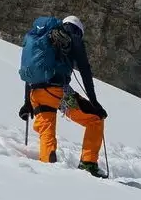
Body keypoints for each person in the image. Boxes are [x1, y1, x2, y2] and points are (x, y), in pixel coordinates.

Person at [18, 14, 108, 175]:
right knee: (95, 119)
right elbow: (85, 71)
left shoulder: (42, 37)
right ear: (78, 30)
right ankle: (88, 164)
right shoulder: (74, 37)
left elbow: (31, 70)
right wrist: (94, 102)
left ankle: (47, 166)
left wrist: (27, 103)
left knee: (47, 131)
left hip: (36, 92)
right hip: (58, 92)